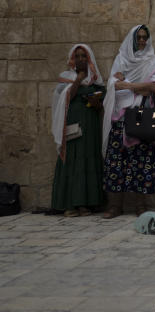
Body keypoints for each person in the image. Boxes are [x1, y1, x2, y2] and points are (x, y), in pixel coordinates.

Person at [101, 25, 155, 218]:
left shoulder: (152, 60)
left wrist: (128, 85)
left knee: (142, 161)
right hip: (120, 119)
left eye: (145, 38)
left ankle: (140, 206)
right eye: (139, 38)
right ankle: (115, 206)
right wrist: (139, 87)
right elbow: (114, 85)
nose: (142, 41)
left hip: (143, 119)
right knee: (116, 162)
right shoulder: (121, 59)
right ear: (132, 39)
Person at [50, 44, 106, 216]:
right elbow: (66, 97)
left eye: (84, 56)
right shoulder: (66, 77)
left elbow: (100, 106)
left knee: (87, 161)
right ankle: (70, 204)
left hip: (90, 126)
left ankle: (85, 204)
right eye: (78, 56)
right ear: (72, 59)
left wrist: (96, 101)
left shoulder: (95, 80)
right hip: (73, 126)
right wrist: (78, 79)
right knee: (73, 161)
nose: (81, 59)